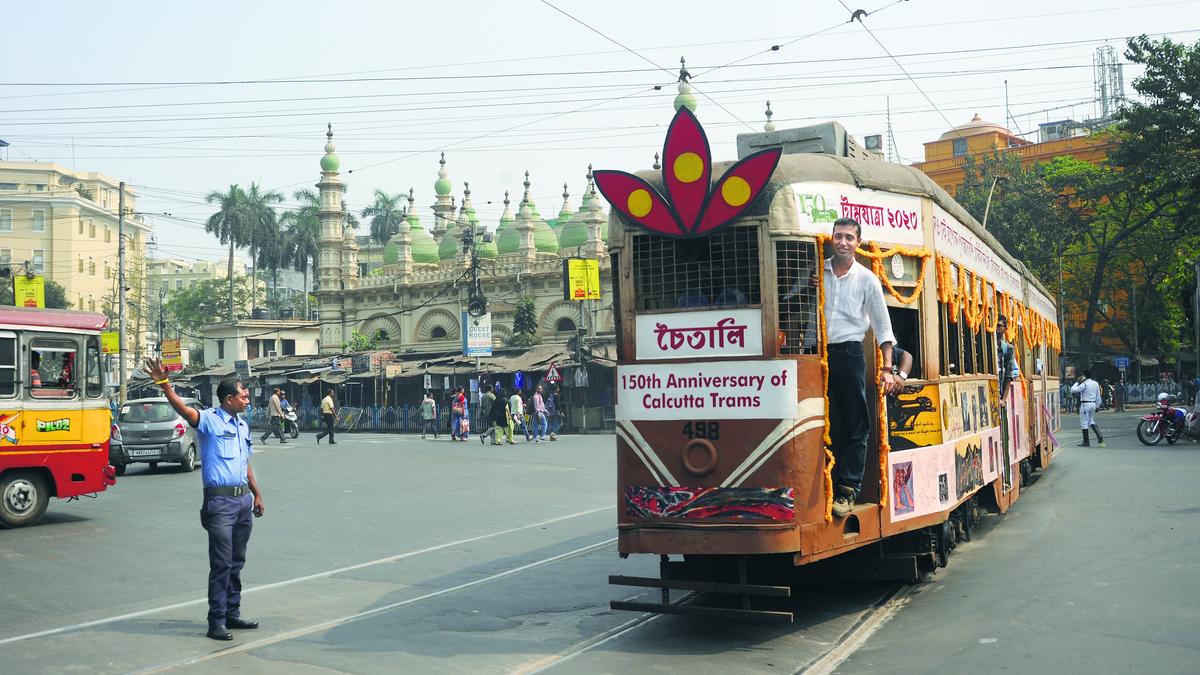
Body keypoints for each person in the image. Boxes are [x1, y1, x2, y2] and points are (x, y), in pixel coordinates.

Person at [143, 358, 263, 641]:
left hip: (243, 501)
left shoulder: (241, 426)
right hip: (220, 504)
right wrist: (164, 384)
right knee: (221, 564)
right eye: (243, 396)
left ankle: (232, 614)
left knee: (237, 562)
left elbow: (245, 463)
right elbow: (183, 410)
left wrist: (257, 494)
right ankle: (216, 621)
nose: (248, 399)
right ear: (229, 399)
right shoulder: (210, 420)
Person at [819, 218, 900, 518]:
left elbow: (882, 326)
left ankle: (847, 491)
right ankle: (820, 489)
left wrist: (887, 368)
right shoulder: (818, 272)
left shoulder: (867, 279)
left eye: (849, 238)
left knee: (856, 425)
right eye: (838, 236)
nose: (843, 242)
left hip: (851, 354)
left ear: (858, 243)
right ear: (831, 239)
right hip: (818, 355)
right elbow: (792, 301)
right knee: (825, 422)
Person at [1070, 370, 1105, 447]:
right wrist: (1097, 406)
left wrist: (1077, 382)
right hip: (1093, 404)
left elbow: (1073, 390)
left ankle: (1086, 441)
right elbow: (1098, 396)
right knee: (1091, 421)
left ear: (1084, 376)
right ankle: (1100, 437)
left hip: (1085, 404)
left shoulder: (1085, 384)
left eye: (1082, 375)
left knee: (1084, 423)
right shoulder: (1095, 383)